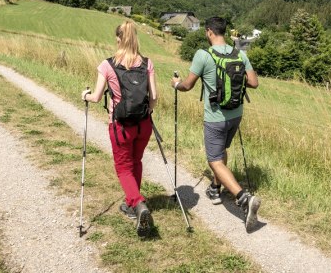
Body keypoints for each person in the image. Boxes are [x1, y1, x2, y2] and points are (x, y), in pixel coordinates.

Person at [170, 16, 260, 232]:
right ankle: (215, 188)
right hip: (235, 114)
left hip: (216, 117)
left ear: (209, 32)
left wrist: (176, 84)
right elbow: (254, 83)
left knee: (214, 160)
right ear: (224, 32)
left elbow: (188, 86)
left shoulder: (203, 55)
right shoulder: (239, 54)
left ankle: (243, 198)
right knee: (222, 152)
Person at [82, 20, 158, 237]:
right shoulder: (147, 63)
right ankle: (131, 203)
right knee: (136, 161)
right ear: (135, 38)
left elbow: (96, 97)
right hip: (143, 125)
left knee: (123, 167)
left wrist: (84, 95)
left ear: (118, 39)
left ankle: (138, 204)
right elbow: (154, 98)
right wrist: (148, 112)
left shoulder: (107, 65)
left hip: (120, 126)